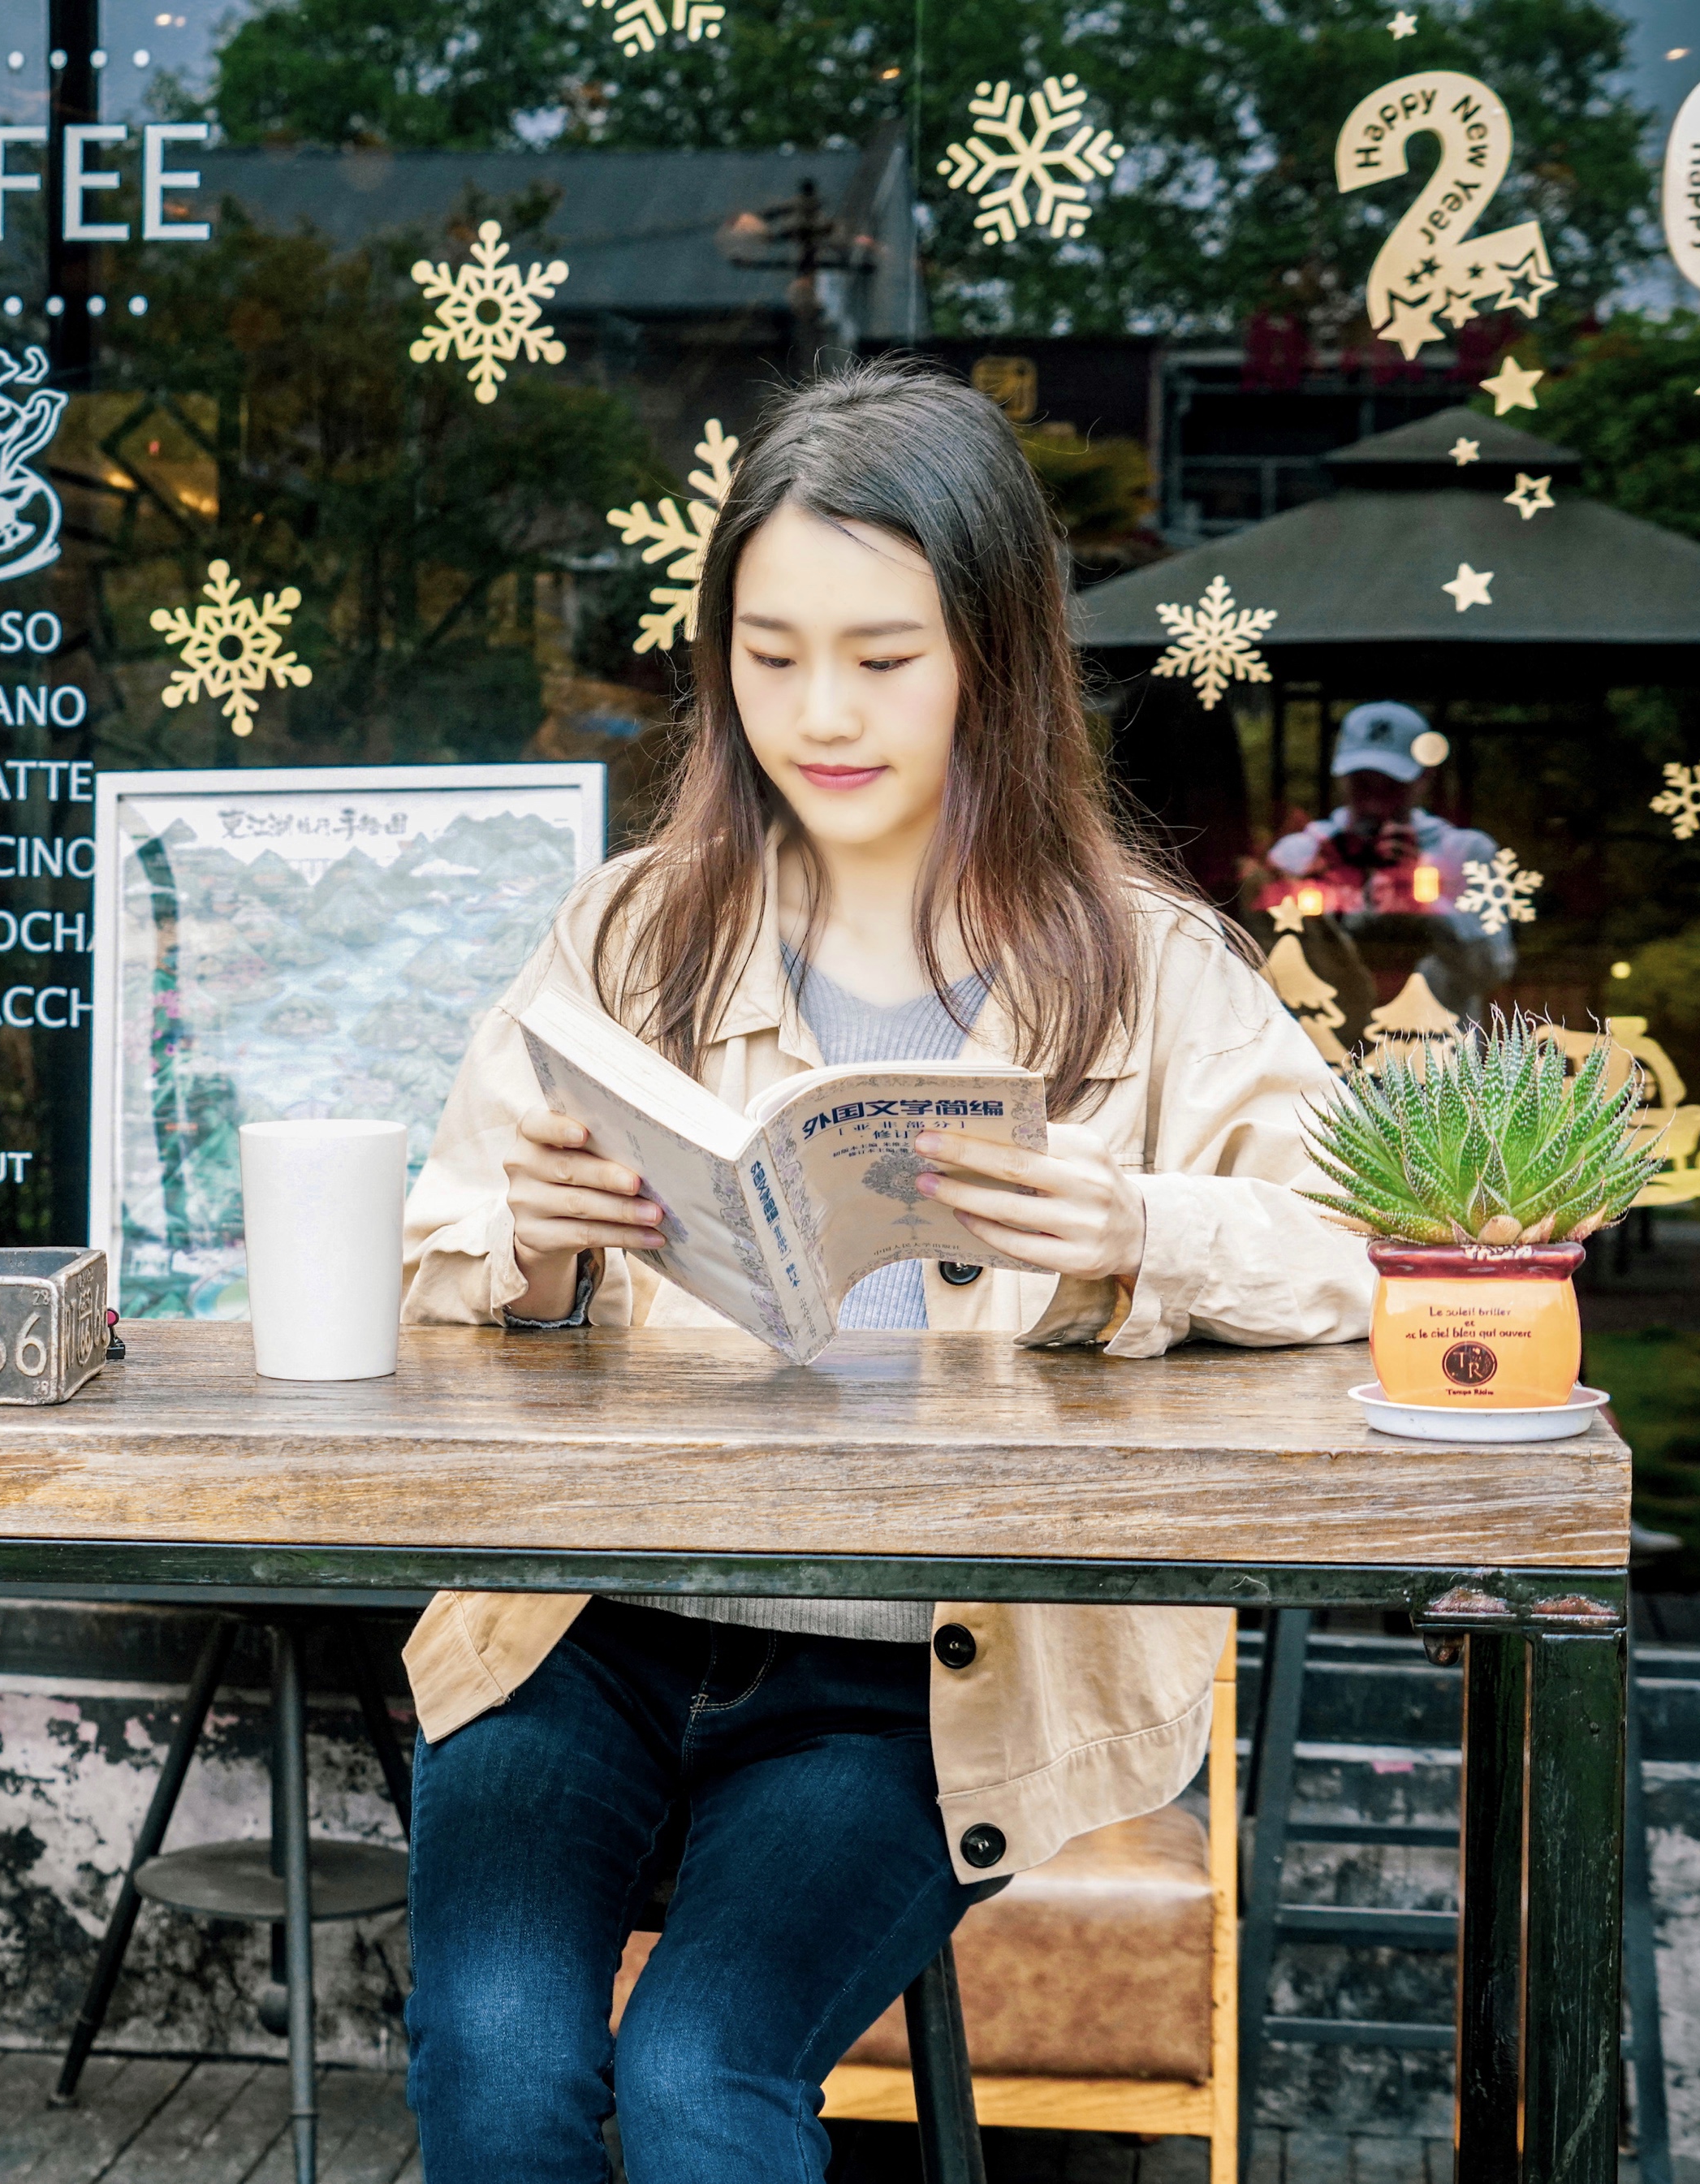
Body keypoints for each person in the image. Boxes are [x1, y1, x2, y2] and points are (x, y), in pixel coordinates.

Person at [393, 358, 1373, 2182]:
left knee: (698, 2078)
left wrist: (1135, 1231)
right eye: (769, 656)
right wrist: (527, 1249)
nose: (819, 710)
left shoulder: (1146, 969)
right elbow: (435, 1260)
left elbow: (1357, 1245)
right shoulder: (624, 930)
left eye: (882, 654)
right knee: (503, 2060)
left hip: (919, 1664)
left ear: (991, 654)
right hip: (585, 1622)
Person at [1261, 701, 1517, 1025]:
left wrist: (1424, 899)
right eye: (1362, 780)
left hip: (1437, 1056)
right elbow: (1269, 967)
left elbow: (1492, 970)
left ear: (1424, 778)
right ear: (1340, 775)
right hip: (1325, 1055)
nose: (1374, 796)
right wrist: (1327, 884)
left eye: (1391, 782)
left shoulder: (1466, 854)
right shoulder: (1298, 856)